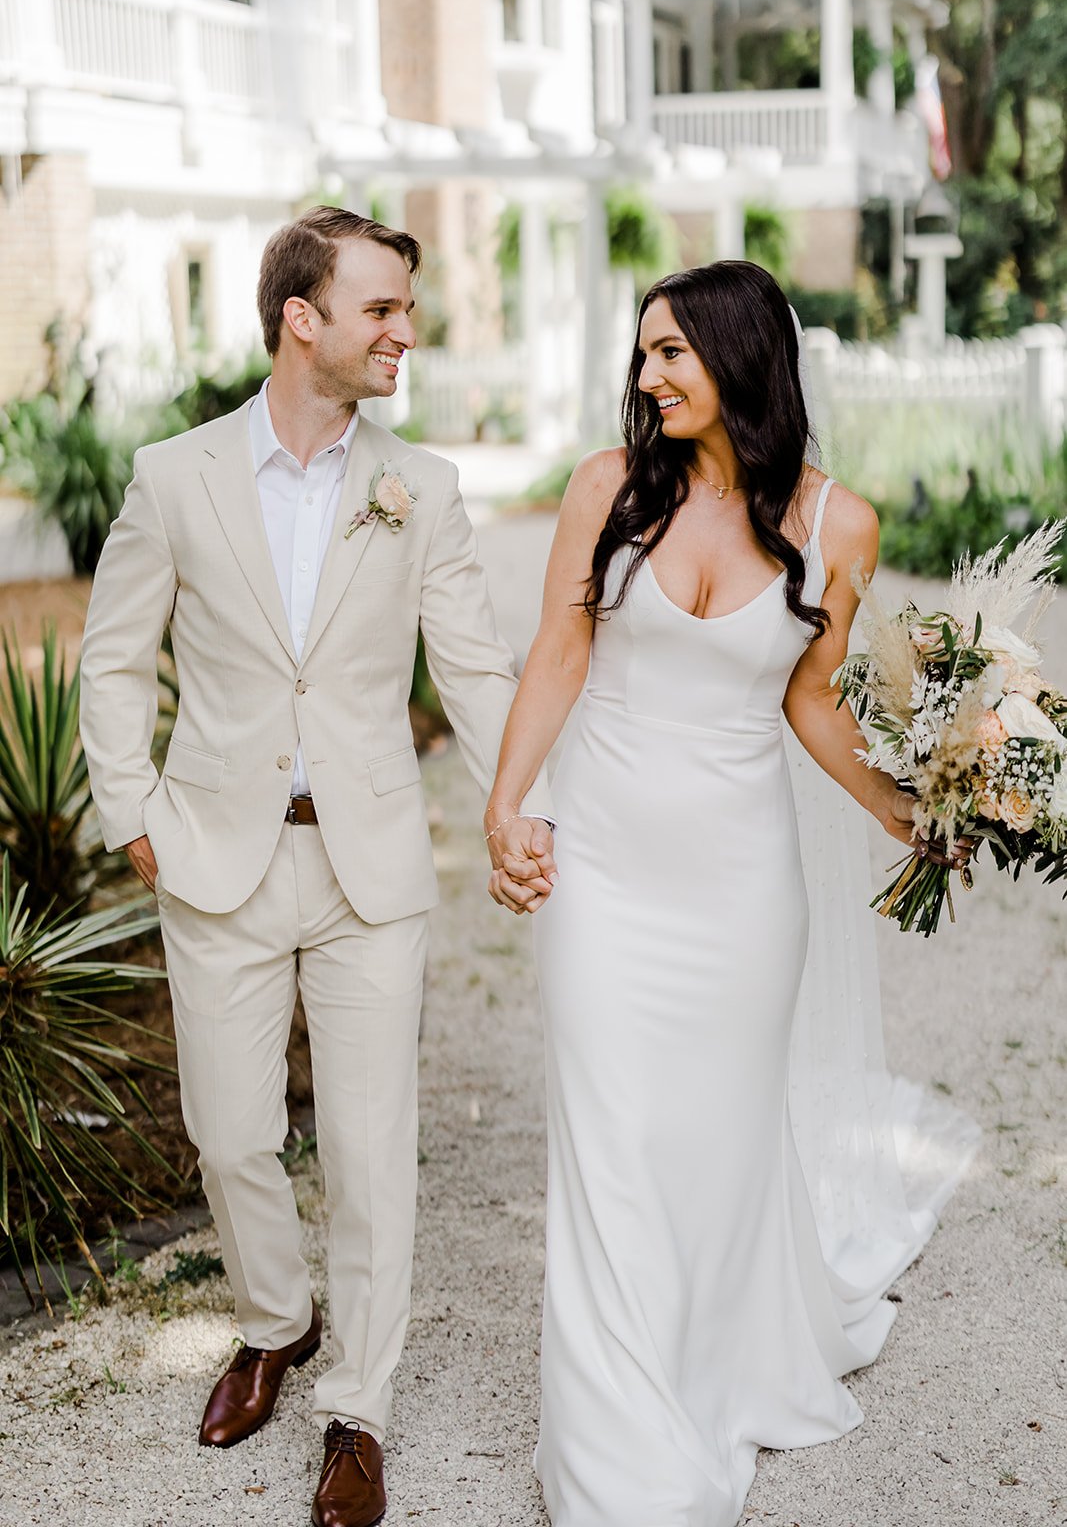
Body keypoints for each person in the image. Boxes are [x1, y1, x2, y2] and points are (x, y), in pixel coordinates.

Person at [79, 205, 554, 1527]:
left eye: (405, 310)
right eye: (382, 309)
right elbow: (111, 656)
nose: (406, 332)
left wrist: (516, 805)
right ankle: (275, 1321)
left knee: (366, 1141)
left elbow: (469, 668)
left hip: (367, 867)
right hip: (213, 857)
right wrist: (136, 815)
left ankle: (359, 1403)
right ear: (303, 318)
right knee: (229, 1135)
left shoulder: (425, 489)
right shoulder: (173, 477)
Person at [483, 261, 971, 1527]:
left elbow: (808, 701)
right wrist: (505, 801)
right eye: (640, 354)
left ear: (739, 355)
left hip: (740, 893)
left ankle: (719, 1354)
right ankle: (616, 1454)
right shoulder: (606, 488)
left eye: (669, 354)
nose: (646, 378)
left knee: (712, 1140)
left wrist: (905, 808)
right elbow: (558, 650)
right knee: (607, 1147)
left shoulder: (834, 525)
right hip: (601, 869)